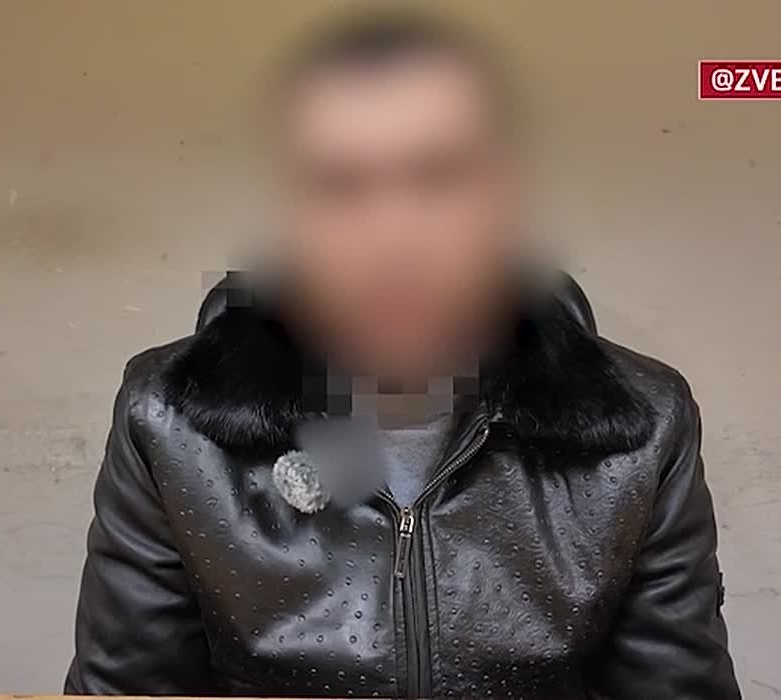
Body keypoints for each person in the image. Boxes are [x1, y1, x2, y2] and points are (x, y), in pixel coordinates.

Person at [65, 10, 739, 699]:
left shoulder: (641, 431)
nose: (393, 239)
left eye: (439, 177)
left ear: (505, 199)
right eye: (339, 186)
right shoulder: (170, 424)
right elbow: (128, 688)